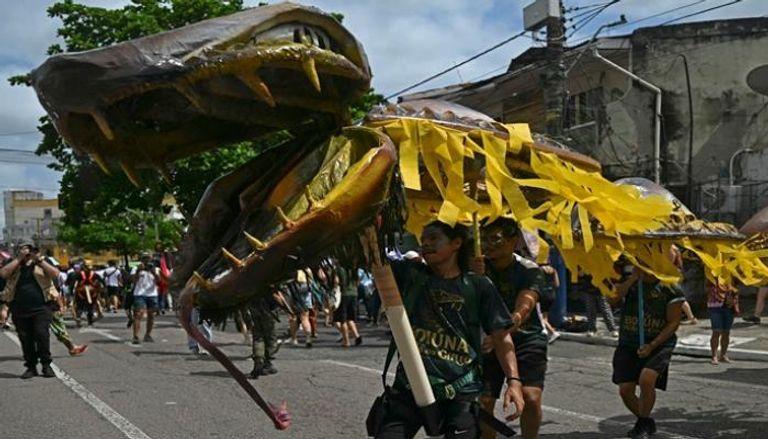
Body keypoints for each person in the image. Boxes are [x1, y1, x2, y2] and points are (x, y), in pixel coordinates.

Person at [373, 221, 524, 439]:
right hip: (409, 386)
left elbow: (501, 337)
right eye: (423, 240)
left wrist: (514, 382)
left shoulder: (479, 286)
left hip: (461, 391)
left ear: (456, 243)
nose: (426, 244)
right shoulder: (410, 275)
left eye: (434, 238)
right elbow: (373, 254)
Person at [473, 218, 552, 439]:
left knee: (530, 397)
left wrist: (505, 328)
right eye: (484, 239)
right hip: (489, 339)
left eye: (495, 239)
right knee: (484, 400)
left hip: (527, 337)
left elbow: (525, 306)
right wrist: (472, 279)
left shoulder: (529, 270)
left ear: (513, 241)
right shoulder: (476, 267)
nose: (488, 244)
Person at [611, 263, 686, 439]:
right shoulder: (631, 284)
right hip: (629, 342)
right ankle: (644, 420)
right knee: (625, 390)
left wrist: (652, 345)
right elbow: (612, 299)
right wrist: (632, 279)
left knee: (646, 379)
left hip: (659, 343)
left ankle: (642, 423)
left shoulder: (670, 288)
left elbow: (673, 322)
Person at [0, 242, 61, 379]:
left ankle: (46, 364)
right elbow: (3, 274)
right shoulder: (14, 263)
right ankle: (31, 367)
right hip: (19, 307)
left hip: (42, 307)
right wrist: (19, 259)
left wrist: (39, 260)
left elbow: (55, 274)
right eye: (24, 249)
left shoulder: (43, 261)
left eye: (30, 249)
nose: (28, 252)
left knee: (41, 334)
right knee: (25, 338)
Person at [248, 293, 281, 378]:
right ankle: (267, 362)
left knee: (258, 337)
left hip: (254, 306)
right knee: (270, 337)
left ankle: (258, 360)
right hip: (268, 309)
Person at [707, 280, 740, 365]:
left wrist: (736, 304)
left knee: (726, 332)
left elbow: (735, 289)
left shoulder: (731, 274)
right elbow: (708, 286)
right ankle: (714, 356)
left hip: (729, 305)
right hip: (715, 305)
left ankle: (723, 355)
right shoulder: (712, 274)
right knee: (716, 331)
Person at [130, 254, 159, 345]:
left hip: (152, 294)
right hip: (139, 293)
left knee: (151, 315)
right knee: (138, 314)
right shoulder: (136, 268)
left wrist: (153, 272)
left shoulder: (155, 269)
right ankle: (135, 336)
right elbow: (133, 280)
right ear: (142, 260)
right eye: (145, 259)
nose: (147, 261)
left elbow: (159, 281)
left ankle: (148, 335)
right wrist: (138, 271)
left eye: (148, 259)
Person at [335, 263, 362, 347]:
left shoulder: (339, 268)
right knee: (350, 318)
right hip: (354, 293)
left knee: (343, 319)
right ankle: (357, 336)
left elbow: (336, 281)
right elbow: (358, 281)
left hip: (344, 294)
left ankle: (346, 341)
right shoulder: (353, 268)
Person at [73, 263, 102, 327]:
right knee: (90, 306)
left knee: (80, 306)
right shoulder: (95, 274)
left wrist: (73, 291)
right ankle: (90, 321)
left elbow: (74, 284)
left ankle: (79, 318)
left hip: (81, 292)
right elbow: (101, 282)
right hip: (92, 292)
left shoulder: (79, 274)